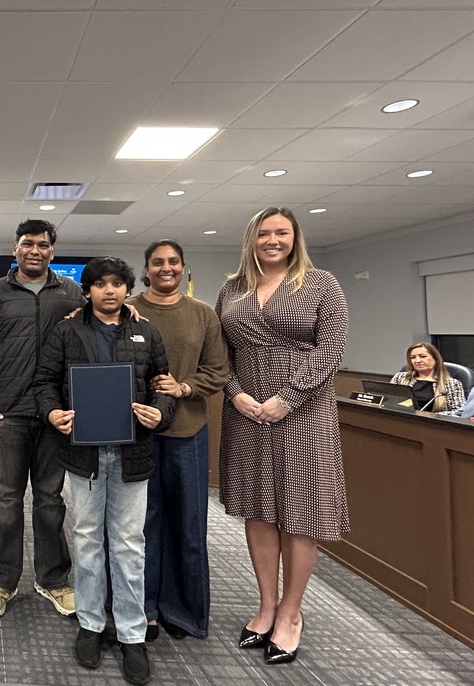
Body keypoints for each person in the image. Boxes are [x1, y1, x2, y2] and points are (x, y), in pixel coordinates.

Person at [215, 206, 349, 666]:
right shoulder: (231, 289)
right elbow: (221, 351)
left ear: (295, 238)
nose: (273, 240)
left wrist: (287, 397)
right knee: (258, 510)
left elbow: (332, 349)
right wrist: (235, 395)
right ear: (251, 239)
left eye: (282, 233)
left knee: (300, 511)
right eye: (264, 233)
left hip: (303, 413)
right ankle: (266, 605)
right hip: (247, 412)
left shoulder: (321, 283)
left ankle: (291, 613)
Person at [34, 256, 174, 685]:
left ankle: (132, 634)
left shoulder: (146, 332)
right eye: (100, 285)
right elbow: (44, 382)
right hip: (83, 456)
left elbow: (163, 385)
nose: (109, 291)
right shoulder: (67, 331)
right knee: (88, 539)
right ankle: (91, 624)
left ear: (127, 289)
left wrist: (159, 413)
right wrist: (53, 412)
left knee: (129, 545)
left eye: (117, 284)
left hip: (133, 454)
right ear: (88, 290)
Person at [0, 219, 84, 618]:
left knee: (50, 501)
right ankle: (1, 582)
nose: (35, 250)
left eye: (43, 245)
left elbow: (99, 325)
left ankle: (53, 581)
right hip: (7, 414)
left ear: (52, 251)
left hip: (55, 414)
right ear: (15, 249)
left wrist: (128, 307)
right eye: (28, 244)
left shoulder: (71, 293)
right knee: (6, 501)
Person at [134, 240, 229, 642]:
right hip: (137, 432)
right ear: (147, 269)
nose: (166, 268)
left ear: (183, 268)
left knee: (188, 526)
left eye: (173, 262)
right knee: (142, 526)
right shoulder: (129, 308)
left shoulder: (203, 315)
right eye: (158, 262)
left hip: (187, 432)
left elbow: (218, 371)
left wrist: (184, 387)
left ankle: (184, 611)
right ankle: (146, 608)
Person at [389, 342, 465, 414]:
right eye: (413, 357)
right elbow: (387, 401)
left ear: (435, 359)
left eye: (423, 356)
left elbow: (458, 411)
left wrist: (431, 416)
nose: (417, 361)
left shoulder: (452, 384)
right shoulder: (400, 377)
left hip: (432, 424)